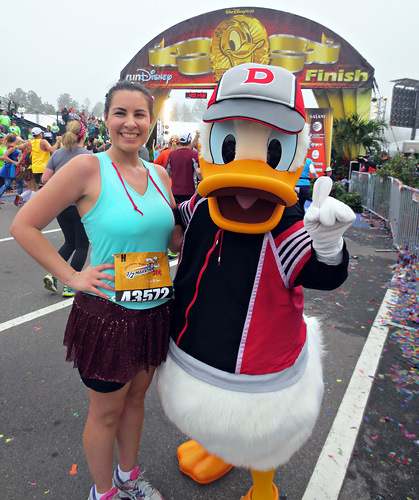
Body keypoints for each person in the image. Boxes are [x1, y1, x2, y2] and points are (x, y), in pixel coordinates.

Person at [10, 79, 182, 500]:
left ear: (150, 121)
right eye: (120, 113)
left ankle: (127, 477)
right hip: (107, 314)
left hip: (155, 308)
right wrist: (72, 278)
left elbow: (174, 242)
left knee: (137, 401)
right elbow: (23, 225)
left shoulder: (159, 174)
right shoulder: (87, 168)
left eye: (139, 114)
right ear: (105, 119)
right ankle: (103, 493)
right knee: (106, 412)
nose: (130, 123)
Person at [40, 120, 92, 297]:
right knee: (82, 245)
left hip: (61, 207)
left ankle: (53, 275)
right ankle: (70, 285)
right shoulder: (88, 155)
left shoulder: (57, 154)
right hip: (80, 207)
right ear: (83, 136)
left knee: (69, 242)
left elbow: (45, 179)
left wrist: (62, 189)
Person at [165, 132, 201, 203]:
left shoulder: (172, 154)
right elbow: (199, 171)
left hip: (175, 192)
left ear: (179, 142)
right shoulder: (194, 154)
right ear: (190, 141)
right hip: (191, 192)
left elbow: (166, 171)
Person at [0, 134, 21, 204]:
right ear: (15, 140)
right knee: (19, 182)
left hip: (11, 166)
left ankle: (19, 198)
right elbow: (5, 156)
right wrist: (15, 162)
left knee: (8, 184)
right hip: (12, 167)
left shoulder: (12, 147)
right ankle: (19, 199)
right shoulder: (12, 148)